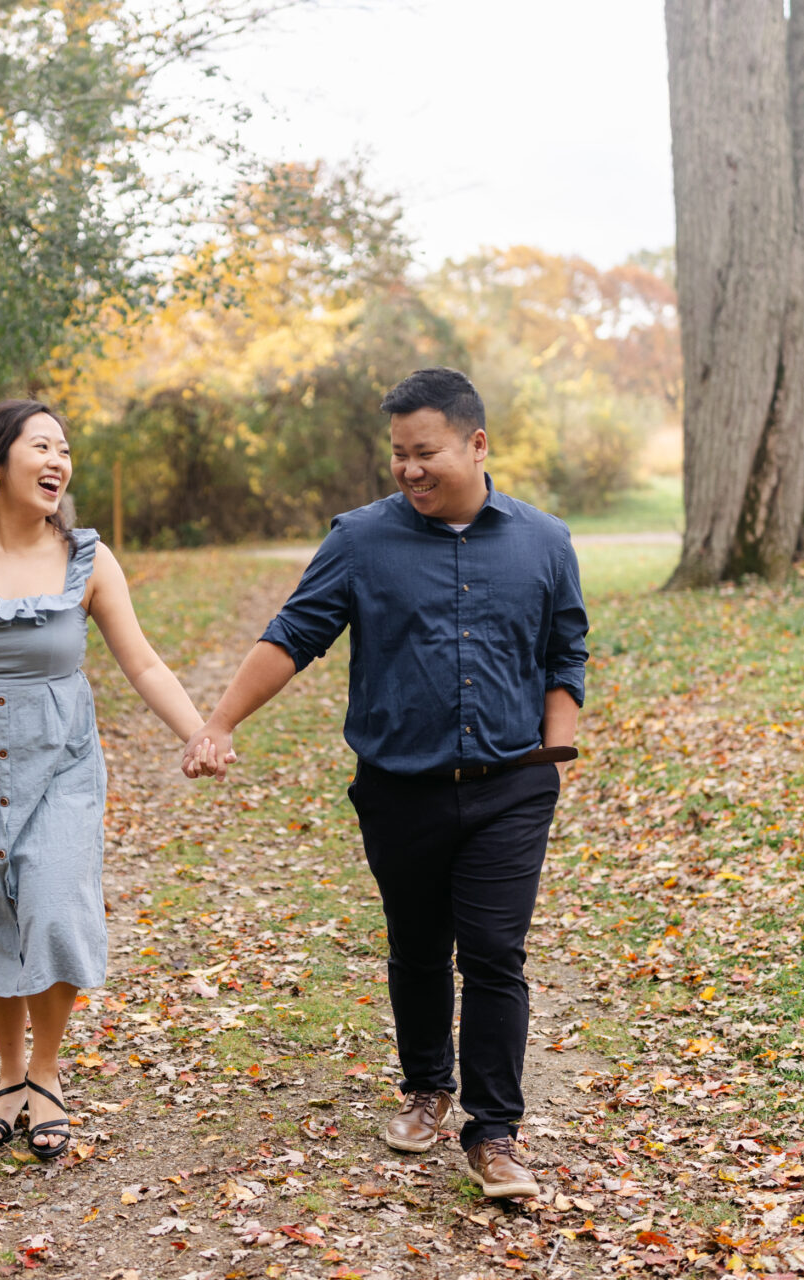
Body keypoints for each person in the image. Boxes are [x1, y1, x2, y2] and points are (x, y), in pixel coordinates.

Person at [181, 368, 587, 1199]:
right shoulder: (361, 540)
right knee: (417, 947)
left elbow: (564, 651)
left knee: (496, 956)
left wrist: (556, 755)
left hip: (513, 786)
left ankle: (497, 1132)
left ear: (477, 444)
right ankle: (428, 1085)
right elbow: (294, 634)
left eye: (424, 452)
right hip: (400, 788)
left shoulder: (546, 541)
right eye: (398, 454)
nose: (408, 469)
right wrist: (219, 722)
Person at [0, 399, 220, 1157]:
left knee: (53, 900)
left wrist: (198, 728)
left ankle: (46, 1071)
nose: (58, 462)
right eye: (42, 446)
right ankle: (9, 1075)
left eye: (65, 450)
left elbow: (142, 659)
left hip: (61, 758)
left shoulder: (86, 558)